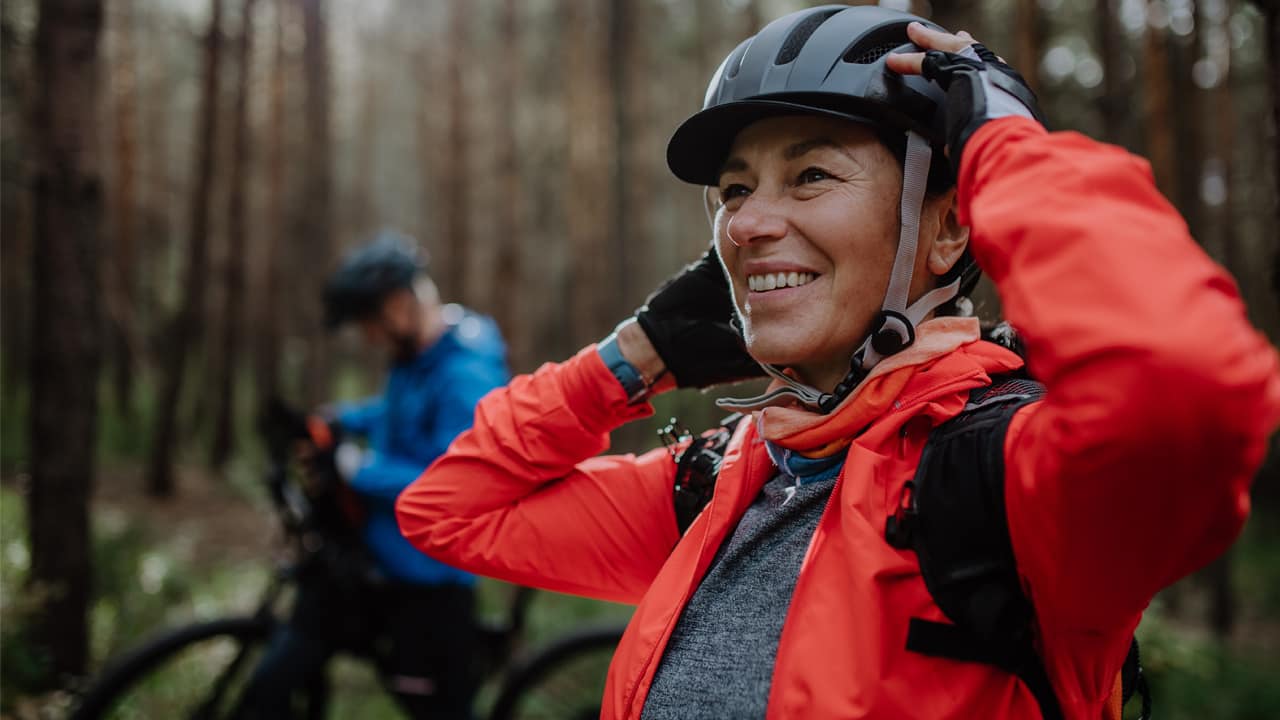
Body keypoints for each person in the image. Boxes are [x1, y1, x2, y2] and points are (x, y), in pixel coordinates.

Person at [396, 7, 1280, 720]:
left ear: (948, 226)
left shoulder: (1008, 487)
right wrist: (638, 357)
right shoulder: (729, 482)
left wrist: (1005, 152)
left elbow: (1185, 390)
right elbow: (446, 509)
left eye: (810, 175)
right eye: (735, 190)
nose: (744, 225)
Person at [241, 231, 509, 719]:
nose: (367, 336)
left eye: (369, 322)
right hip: (378, 554)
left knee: (439, 708)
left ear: (401, 303)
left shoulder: (466, 373)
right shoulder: (416, 356)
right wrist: (339, 419)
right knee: (286, 663)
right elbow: (394, 414)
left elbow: (454, 477)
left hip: (428, 575)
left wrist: (354, 467)